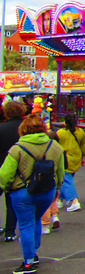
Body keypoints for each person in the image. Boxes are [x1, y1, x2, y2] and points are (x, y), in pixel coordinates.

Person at [0, 114, 66, 274]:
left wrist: (6, 187)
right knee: (36, 221)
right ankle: (34, 254)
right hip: (47, 191)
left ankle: (28, 263)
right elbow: (60, 172)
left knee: (26, 225)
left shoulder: (17, 149)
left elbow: (5, 175)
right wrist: (57, 188)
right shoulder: (55, 146)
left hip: (22, 192)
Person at [0, 101, 26, 242]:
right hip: (20, 168)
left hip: (1, 166)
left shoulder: (2, 128)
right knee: (11, 200)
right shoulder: (25, 128)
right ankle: (10, 231)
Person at [56, 113, 85, 213]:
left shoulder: (60, 133)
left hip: (65, 158)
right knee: (67, 178)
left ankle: (74, 201)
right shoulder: (81, 132)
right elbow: (83, 146)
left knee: (66, 180)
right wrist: (83, 157)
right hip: (76, 157)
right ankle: (59, 199)